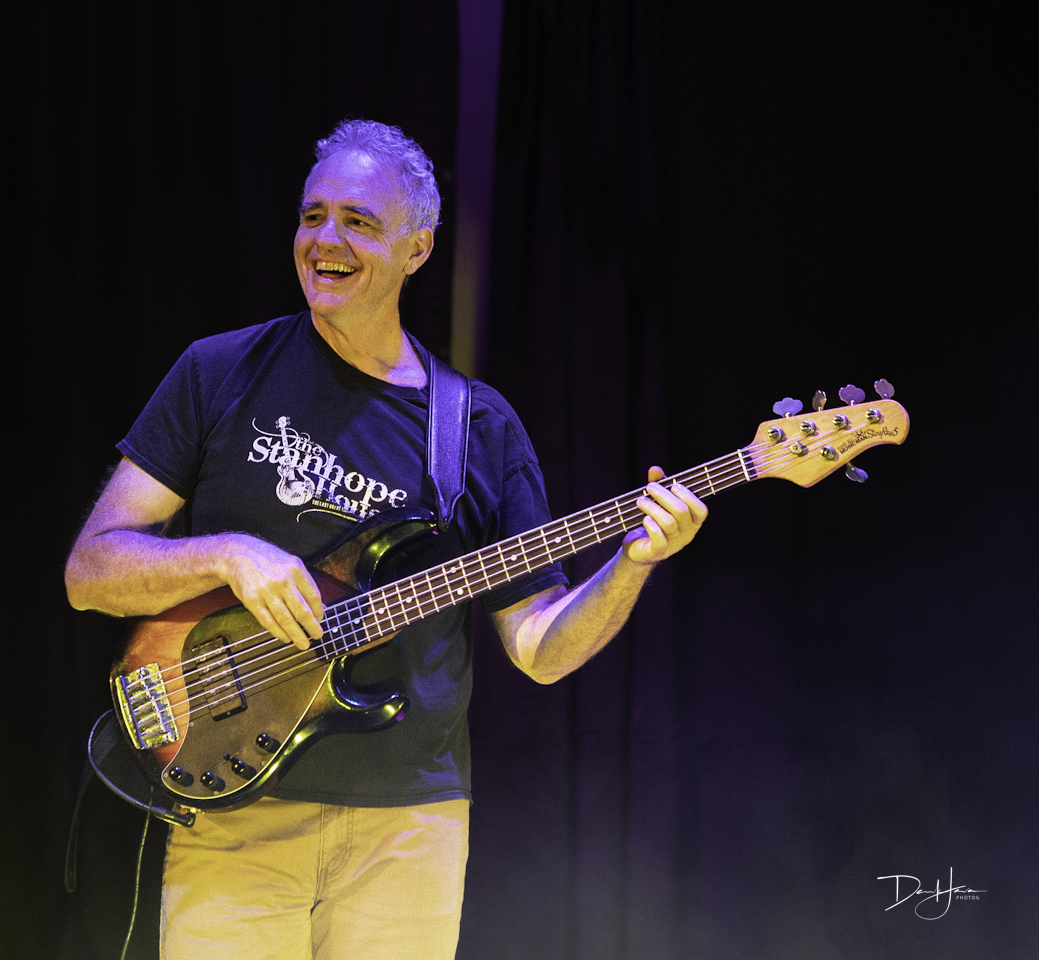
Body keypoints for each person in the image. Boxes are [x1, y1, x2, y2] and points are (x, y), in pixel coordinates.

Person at [65, 119, 707, 960]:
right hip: (234, 808)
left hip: (409, 826)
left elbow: (541, 648)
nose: (324, 240)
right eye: (312, 215)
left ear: (417, 249)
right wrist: (225, 552)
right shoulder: (218, 372)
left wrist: (632, 564)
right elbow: (91, 572)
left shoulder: (477, 429)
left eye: (359, 222)